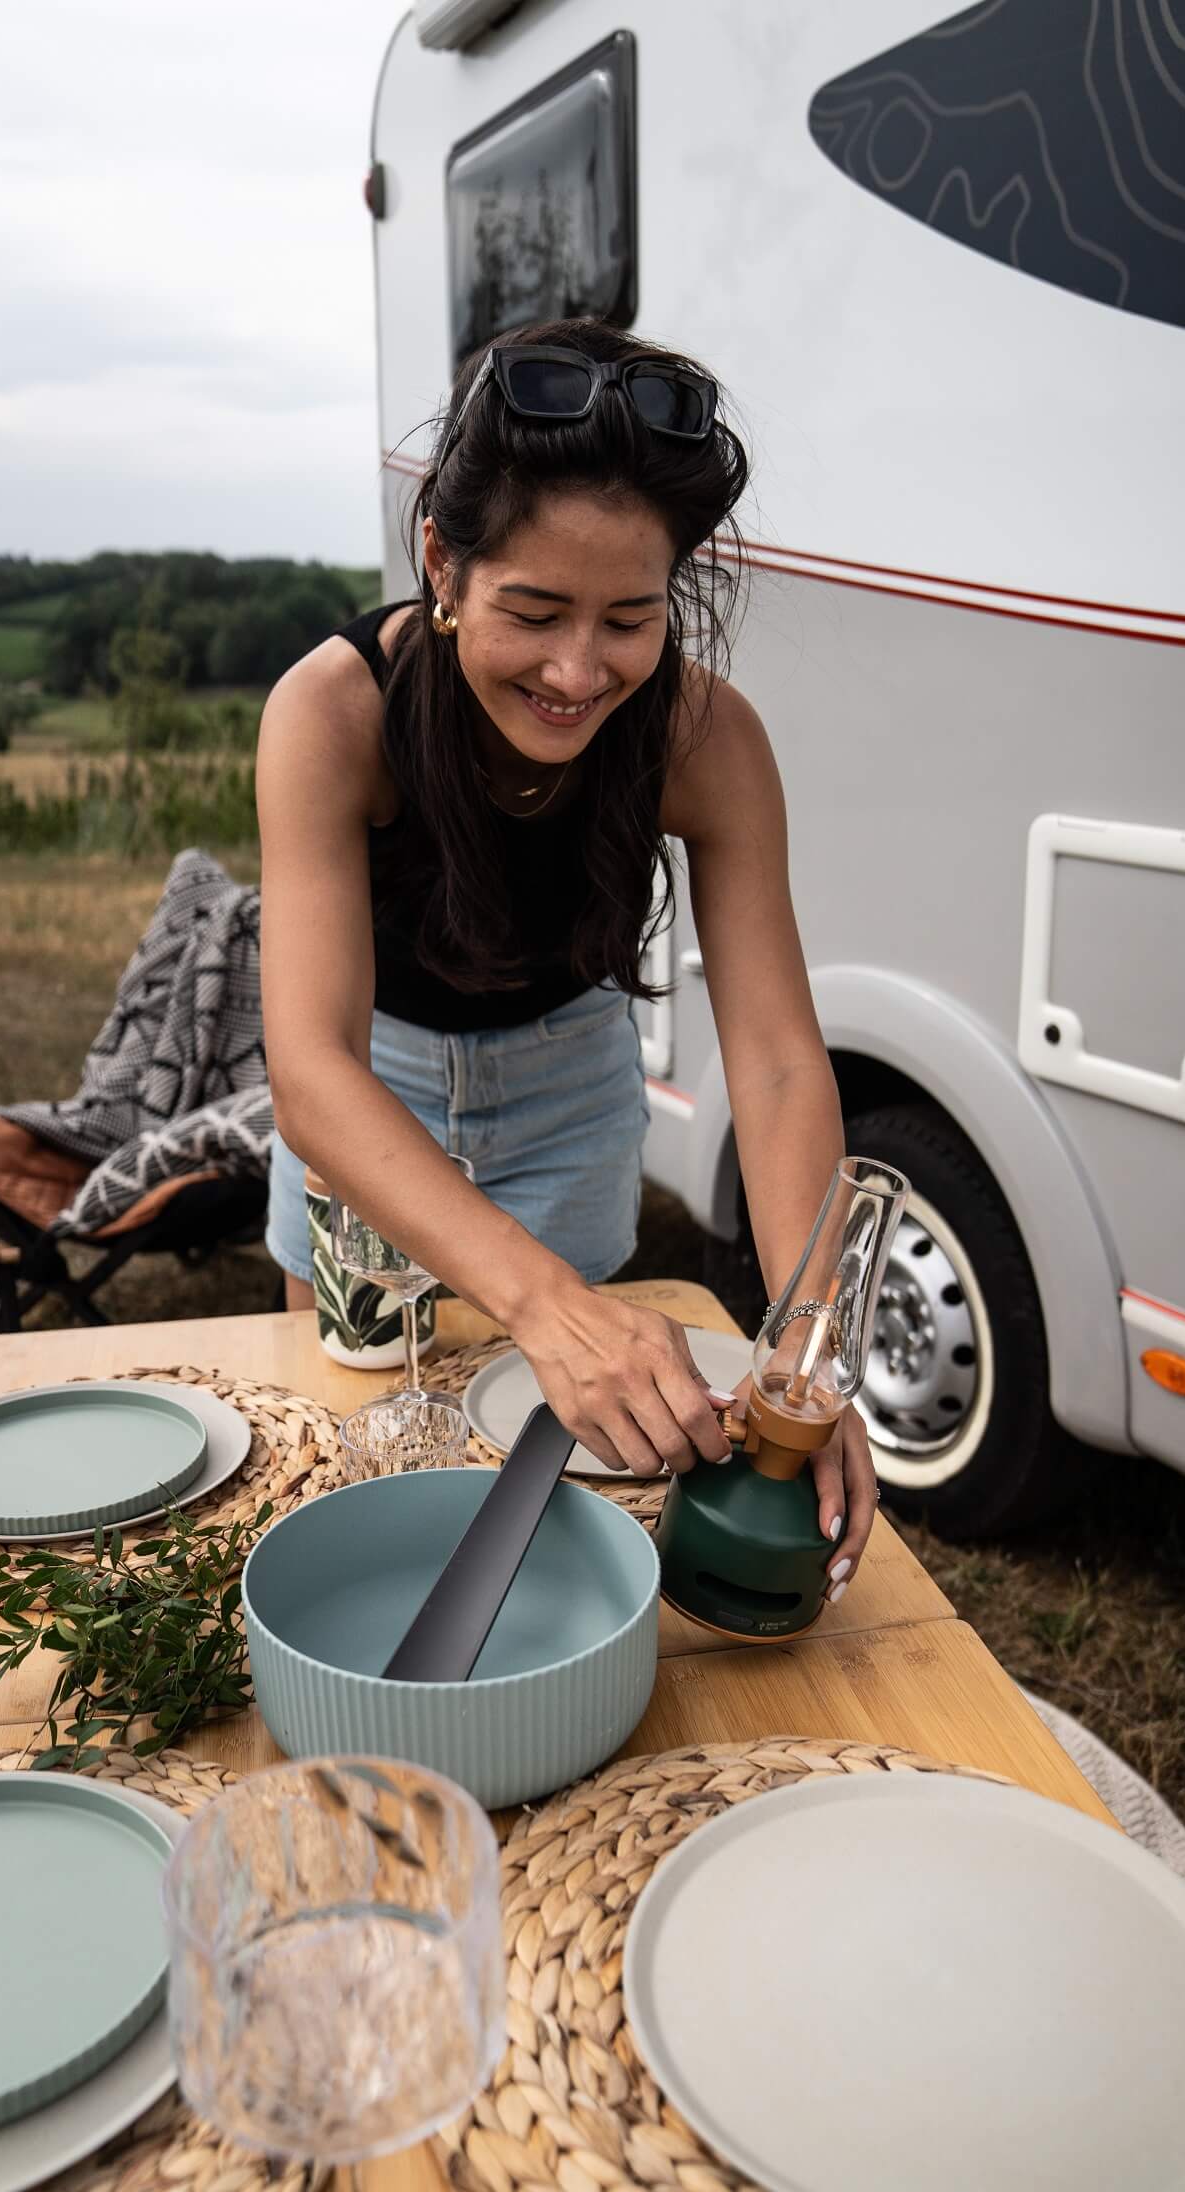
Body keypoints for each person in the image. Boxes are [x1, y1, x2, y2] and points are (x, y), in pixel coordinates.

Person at [257, 317, 875, 1598]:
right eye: (532, 612)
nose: (577, 670)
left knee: (558, 1470)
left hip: (569, 1087)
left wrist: (806, 1357)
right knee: (351, 1443)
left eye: (628, 620)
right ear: (440, 559)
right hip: (368, 1092)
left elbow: (767, 1061)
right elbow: (310, 1067)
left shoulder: (708, 740)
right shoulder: (332, 712)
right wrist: (542, 1303)